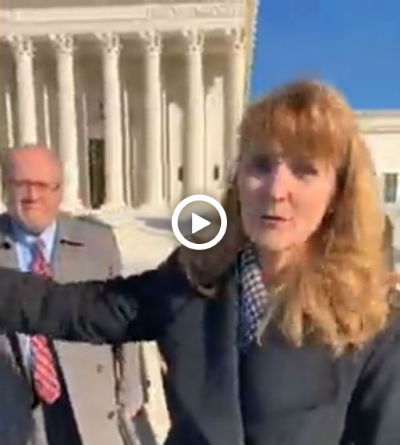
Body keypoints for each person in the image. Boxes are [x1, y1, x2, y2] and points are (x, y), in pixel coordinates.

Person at [0, 80, 399, 445]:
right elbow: (78, 309)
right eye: (261, 164)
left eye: (304, 170)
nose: (277, 190)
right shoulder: (195, 277)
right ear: (238, 177)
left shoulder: (371, 315)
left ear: (337, 193)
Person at [0, 145, 145, 445]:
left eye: (42, 185)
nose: (31, 196)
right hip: (14, 407)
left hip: (88, 398)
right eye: (20, 184)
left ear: (59, 190)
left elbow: (122, 315)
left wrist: (131, 389)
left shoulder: (97, 241)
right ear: (4, 188)